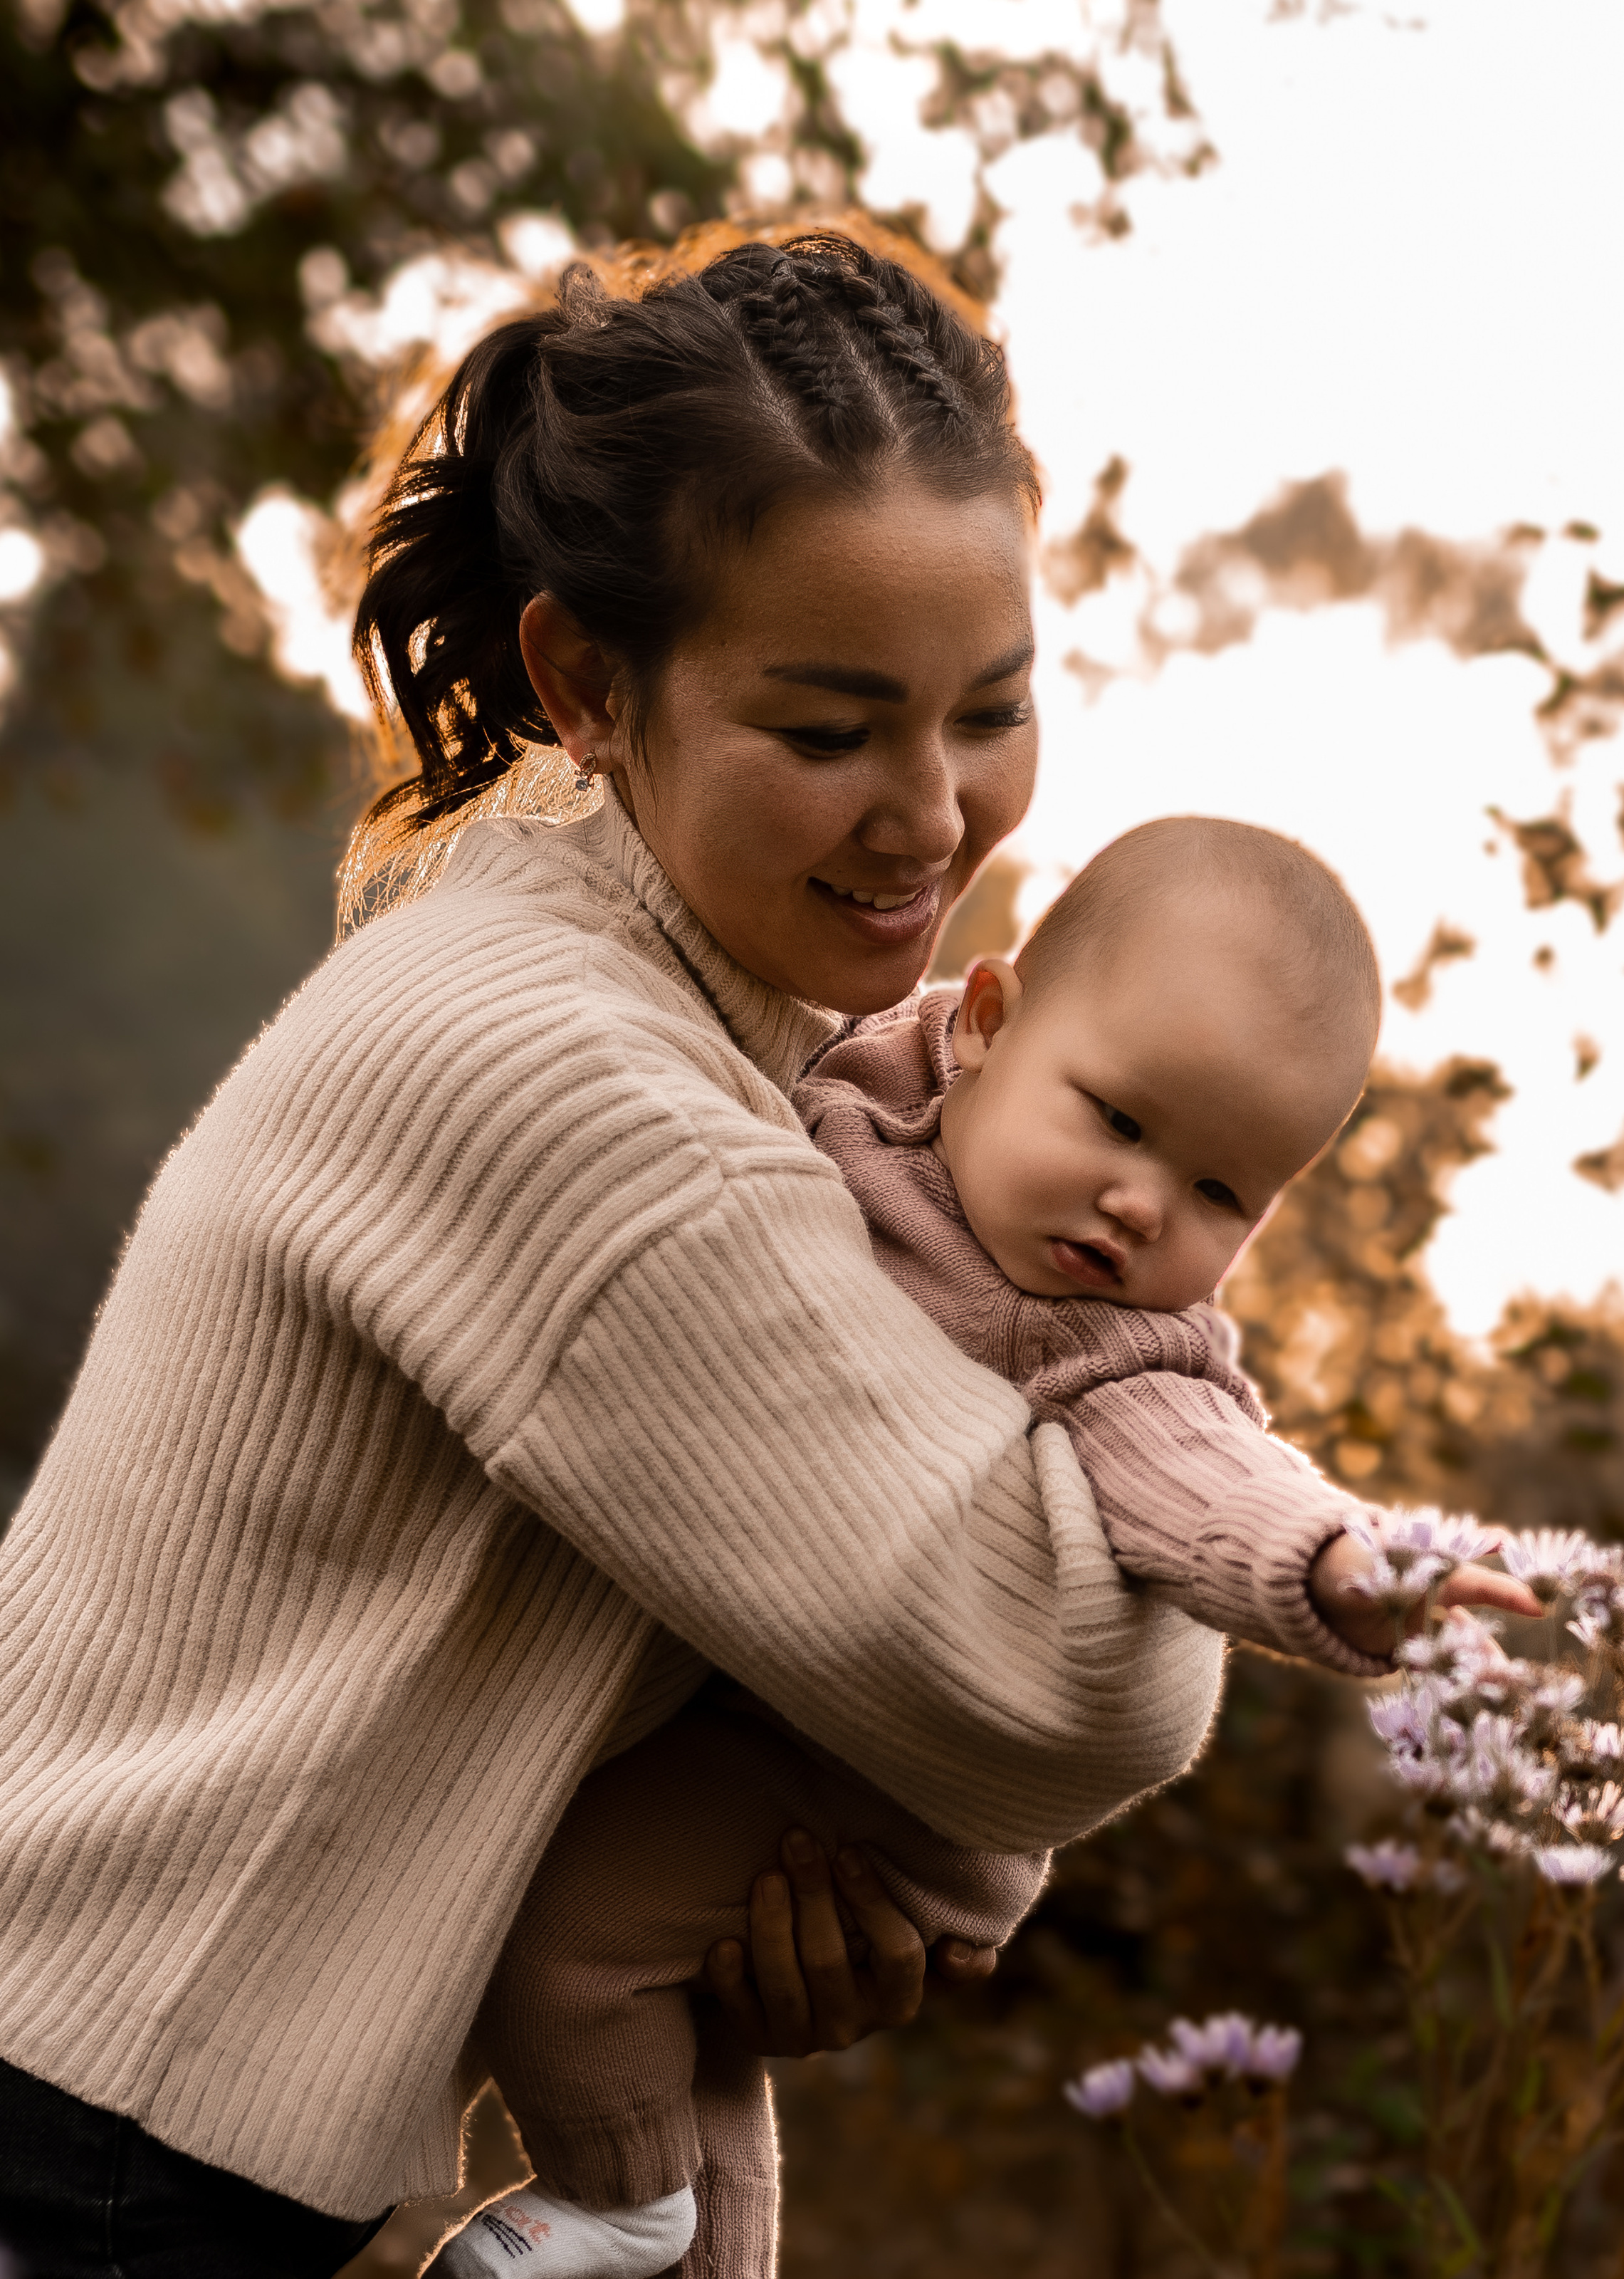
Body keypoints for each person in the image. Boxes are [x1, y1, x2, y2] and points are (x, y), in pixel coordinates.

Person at [0, 230, 1224, 2278]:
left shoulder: (679, 987)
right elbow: (1082, 1691)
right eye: (832, 730)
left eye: (993, 709)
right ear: (585, 682)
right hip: (86, 2134)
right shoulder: (575, 1087)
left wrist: (739, 1868)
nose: (934, 815)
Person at [436, 818, 1540, 2279]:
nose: (1141, 1203)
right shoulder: (846, 1083)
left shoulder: (1110, 1345)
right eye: (1121, 1121)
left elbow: (1208, 1479)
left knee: (572, 1939)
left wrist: (1346, 1565)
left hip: (867, 1783)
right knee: (687, 2028)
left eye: (1222, 1194)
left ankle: (620, 2200)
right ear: (987, 1020)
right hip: (762, 1689)